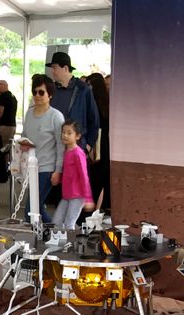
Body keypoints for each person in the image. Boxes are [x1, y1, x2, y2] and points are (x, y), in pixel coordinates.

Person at [20, 75, 64, 223]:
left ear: (50, 95)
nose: (37, 96)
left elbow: (61, 145)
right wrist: (23, 143)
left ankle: (54, 231)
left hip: (47, 168)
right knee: (35, 208)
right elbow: (24, 135)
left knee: (30, 211)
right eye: (35, 92)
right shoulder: (29, 113)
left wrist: (58, 171)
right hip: (30, 167)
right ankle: (52, 232)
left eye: (41, 92)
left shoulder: (56, 116)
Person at [46, 52, 100, 153]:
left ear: (66, 68)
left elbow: (94, 120)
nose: (52, 71)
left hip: (77, 147)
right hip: (54, 148)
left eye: (54, 68)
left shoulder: (83, 90)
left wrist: (88, 145)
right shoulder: (51, 89)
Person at [52, 120, 94, 229]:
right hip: (67, 195)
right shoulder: (66, 152)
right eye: (63, 132)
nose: (65, 135)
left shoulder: (78, 153)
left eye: (69, 133)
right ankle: (62, 242)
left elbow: (84, 176)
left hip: (78, 196)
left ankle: (70, 245)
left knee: (69, 223)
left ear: (78, 136)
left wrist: (88, 199)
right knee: (56, 221)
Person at [85, 73, 110, 211]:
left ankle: (90, 210)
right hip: (106, 147)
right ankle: (98, 209)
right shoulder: (108, 104)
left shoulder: (92, 106)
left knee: (93, 180)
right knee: (101, 181)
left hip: (95, 147)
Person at [0, 80, 17, 149]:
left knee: (3, 147)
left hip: (4, 126)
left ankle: (5, 160)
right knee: (8, 146)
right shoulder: (13, 96)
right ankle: (8, 159)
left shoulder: (3, 96)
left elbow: (1, 110)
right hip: (12, 125)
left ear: (4, 85)